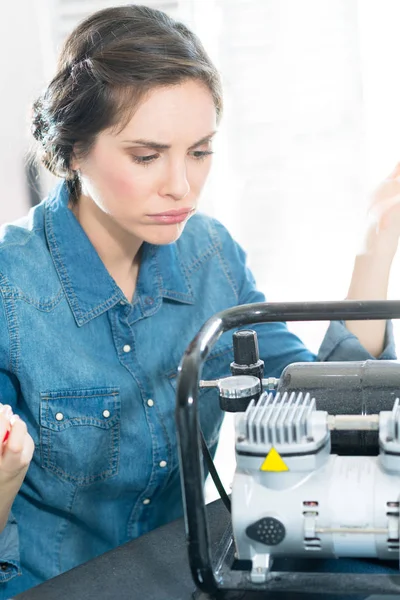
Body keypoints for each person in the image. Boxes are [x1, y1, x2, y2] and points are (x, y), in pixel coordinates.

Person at [0, 4, 399, 596]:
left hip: (185, 571)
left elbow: (312, 394)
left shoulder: (209, 253)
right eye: (146, 156)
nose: (181, 186)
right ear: (74, 151)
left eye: (200, 151)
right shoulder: (11, 290)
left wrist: (377, 242)